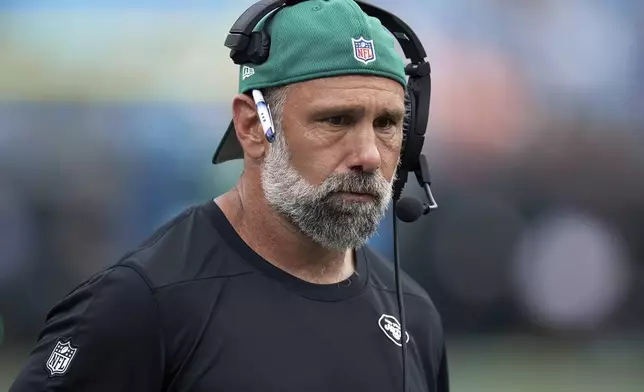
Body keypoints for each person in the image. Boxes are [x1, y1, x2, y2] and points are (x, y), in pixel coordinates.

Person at [10, 1, 449, 391]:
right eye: (335, 120)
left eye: (387, 124)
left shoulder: (413, 313)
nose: (369, 155)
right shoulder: (141, 302)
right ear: (252, 127)